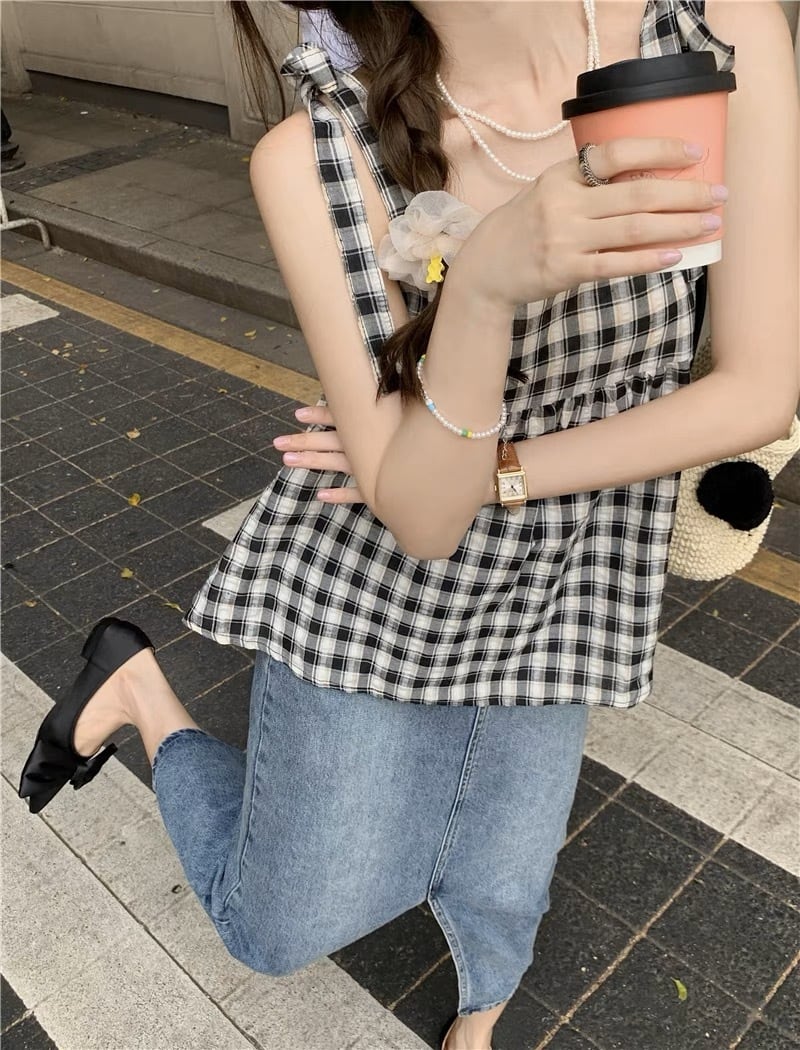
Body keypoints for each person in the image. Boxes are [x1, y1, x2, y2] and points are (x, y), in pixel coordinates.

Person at [18, 3, 798, 1049]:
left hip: (571, 575)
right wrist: (480, 287)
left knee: (506, 864)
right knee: (274, 926)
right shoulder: (317, 154)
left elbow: (756, 391)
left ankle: (480, 1010)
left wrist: (494, 475)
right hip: (376, 586)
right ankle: (138, 691)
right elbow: (421, 520)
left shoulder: (712, 32)